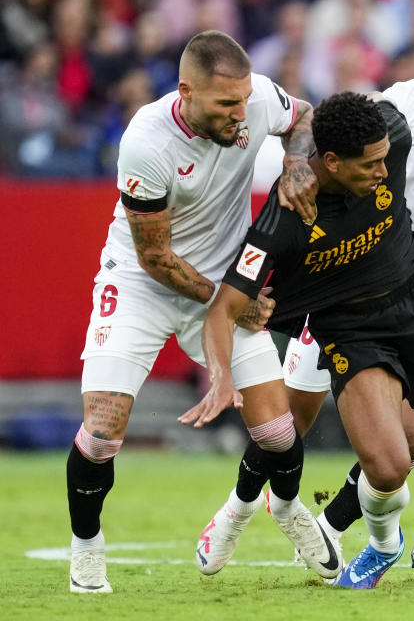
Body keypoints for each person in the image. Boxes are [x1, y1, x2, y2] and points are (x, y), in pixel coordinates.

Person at [202, 6, 414, 572]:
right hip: (344, 280)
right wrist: (296, 160)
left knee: (407, 446)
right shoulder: (408, 104)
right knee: (291, 423)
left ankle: (334, 529)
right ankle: (237, 507)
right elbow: (331, 124)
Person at [180, 91, 414, 589]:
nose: (384, 171)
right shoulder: (283, 220)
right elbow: (223, 309)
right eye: (369, 165)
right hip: (350, 330)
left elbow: (323, 110)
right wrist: (222, 378)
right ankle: (379, 546)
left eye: (383, 160)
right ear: (330, 161)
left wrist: (295, 153)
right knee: (387, 465)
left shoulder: (389, 135)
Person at [68, 30, 334, 594]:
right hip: (145, 284)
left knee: (279, 433)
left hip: (225, 285)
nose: (242, 114)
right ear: (185, 92)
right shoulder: (146, 142)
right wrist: (234, 298)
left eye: (244, 101)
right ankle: (87, 549)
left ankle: (285, 510)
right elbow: (156, 257)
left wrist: (294, 157)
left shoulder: (256, 96)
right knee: (101, 431)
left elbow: (304, 114)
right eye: (226, 105)